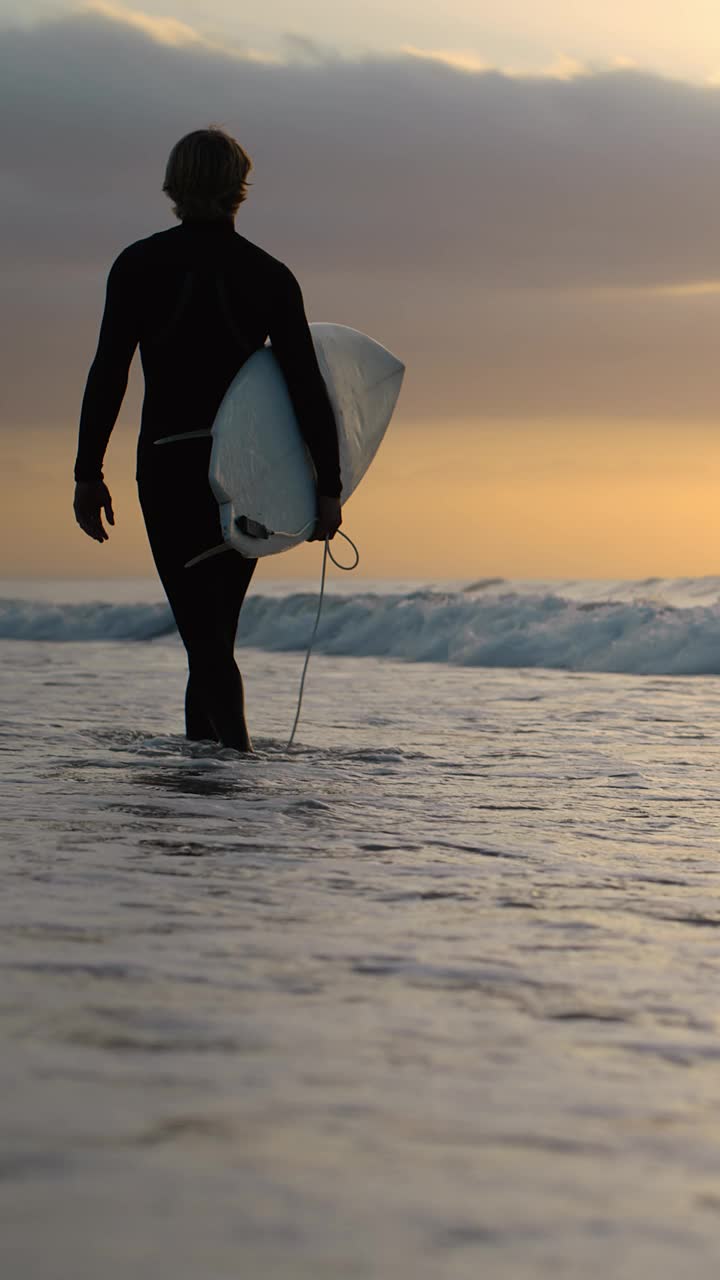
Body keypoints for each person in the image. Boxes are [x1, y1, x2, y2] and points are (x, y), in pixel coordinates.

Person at [74, 127, 342, 752]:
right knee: (211, 630)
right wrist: (327, 484)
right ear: (238, 186)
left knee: (207, 635)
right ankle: (213, 792)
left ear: (175, 183)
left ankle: (231, 776)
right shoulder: (269, 275)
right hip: (247, 472)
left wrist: (88, 471)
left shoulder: (139, 264)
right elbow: (306, 387)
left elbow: (108, 370)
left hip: (168, 467)